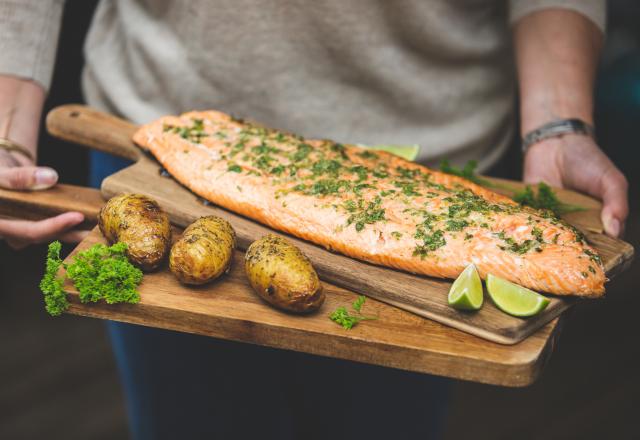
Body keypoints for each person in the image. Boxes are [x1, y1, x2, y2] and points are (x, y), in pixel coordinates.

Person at [0, 1, 629, 439]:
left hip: (436, 136)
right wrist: (6, 130)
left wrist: (557, 119)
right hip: (161, 131)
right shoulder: (175, 139)